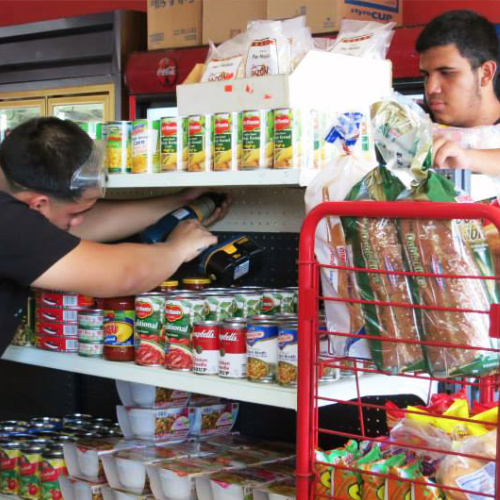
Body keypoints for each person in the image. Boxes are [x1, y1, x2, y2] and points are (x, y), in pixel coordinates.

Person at [0, 117, 228, 354]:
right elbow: (124, 275)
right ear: (37, 205)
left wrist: (180, 201)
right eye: (76, 213)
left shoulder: (13, 199)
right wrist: (177, 249)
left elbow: (77, 223)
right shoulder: (7, 223)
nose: (79, 221)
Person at [415, 9, 500, 175]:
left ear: (486, 73)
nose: (431, 88)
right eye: (426, 75)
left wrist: (465, 157)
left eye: (447, 73)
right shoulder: (417, 124)